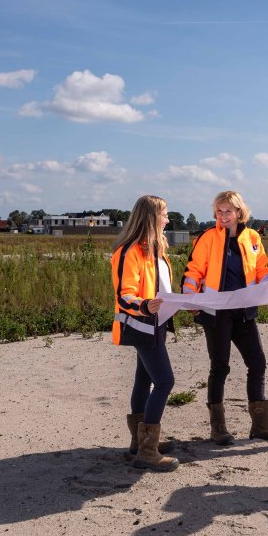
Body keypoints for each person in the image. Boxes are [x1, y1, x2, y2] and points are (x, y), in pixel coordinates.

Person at [183, 191, 268, 445]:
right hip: (215, 314)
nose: (222, 216)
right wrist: (189, 298)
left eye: (228, 211)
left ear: (239, 213)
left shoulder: (253, 237)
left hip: (244, 312)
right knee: (220, 367)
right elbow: (193, 271)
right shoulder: (207, 237)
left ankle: (261, 426)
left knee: (258, 363)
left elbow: (262, 270)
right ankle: (218, 428)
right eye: (219, 211)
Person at [110, 195, 179, 472]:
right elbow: (123, 295)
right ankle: (148, 451)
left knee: (144, 380)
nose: (167, 220)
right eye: (164, 215)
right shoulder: (129, 252)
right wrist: (145, 305)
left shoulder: (154, 249)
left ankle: (139, 443)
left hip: (155, 323)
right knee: (164, 382)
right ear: (151, 217)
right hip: (141, 325)